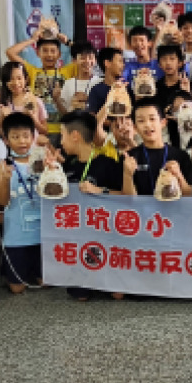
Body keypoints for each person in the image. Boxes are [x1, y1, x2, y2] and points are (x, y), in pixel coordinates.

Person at [54, 110, 136, 301]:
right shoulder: (67, 167)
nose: (61, 142)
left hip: (108, 237)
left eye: (63, 135)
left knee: (117, 294)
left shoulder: (108, 164)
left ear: (75, 136)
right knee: (80, 296)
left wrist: (99, 191)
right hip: (79, 239)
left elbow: (127, 198)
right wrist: (52, 171)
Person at [0, 113, 42, 294]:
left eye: (26, 136)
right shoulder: (3, 165)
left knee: (45, 282)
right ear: (6, 140)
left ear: (33, 136)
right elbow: (2, 202)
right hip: (16, 235)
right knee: (17, 288)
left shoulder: (42, 160)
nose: (22, 141)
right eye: (15, 137)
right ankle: (7, 270)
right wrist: (6, 180)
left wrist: (54, 167)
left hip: (42, 233)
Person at [5, 28, 76, 138]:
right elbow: (10, 52)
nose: (49, 55)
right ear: (38, 53)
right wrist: (32, 40)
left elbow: (85, 55)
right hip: (38, 129)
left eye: (53, 51)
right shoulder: (32, 71)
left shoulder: (67, 71)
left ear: (59, 54)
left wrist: (68, 42)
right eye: (45, 51)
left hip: (65, 129)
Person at [127, 97, 192, 197]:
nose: (147, 124)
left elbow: (189, 195)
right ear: (135, 128)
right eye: (141, 121)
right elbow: (127, 200)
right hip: (142, 208)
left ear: (163, 123)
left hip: (172, 207)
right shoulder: (130, 157)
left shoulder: (181, 156)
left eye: (152, 119)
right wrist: (127, 174)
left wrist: (179, 176)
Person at [53, 41, 101, 134]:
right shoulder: (68, 84)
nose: (87, 61)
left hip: (94, 131)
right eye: (83, 58)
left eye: (91, 57)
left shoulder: (100, 82)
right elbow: (65, 113)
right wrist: (56, 99)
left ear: (95, 60)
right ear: (74, 60)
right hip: (72, 130)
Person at [0, 61, 48, 135]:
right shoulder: (3, 104)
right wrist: (2, 117)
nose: (16, 83)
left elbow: (45, 131)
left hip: (34, 142)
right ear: (5, 82)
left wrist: (33, 118)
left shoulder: (36, 101)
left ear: (26, 79)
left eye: (19, 78)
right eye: (11, 79)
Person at [86, 47, 136, 116]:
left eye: (123, 62)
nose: (123, 65)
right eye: (120, 61)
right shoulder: (96, 90)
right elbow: (92, 117)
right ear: (107, 63)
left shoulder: (127, 89)